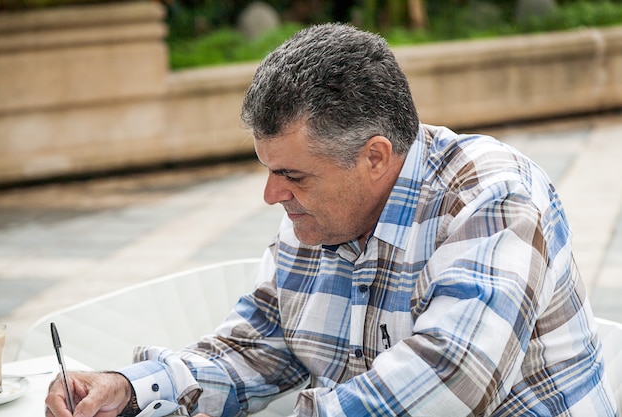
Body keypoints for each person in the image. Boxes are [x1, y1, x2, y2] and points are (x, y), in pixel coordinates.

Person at [45, 23, 618, 417]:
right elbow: (263, 345)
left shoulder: (491, 197)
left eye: (293, 175)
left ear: (374, 157)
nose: (273, 195)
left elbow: (446, 383)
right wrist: (129, 390)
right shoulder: (317, 214)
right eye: (270, 171)